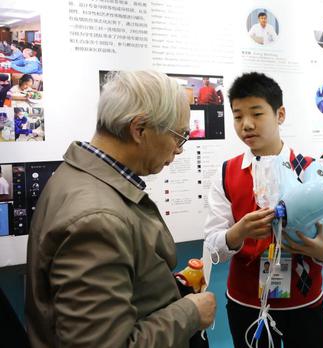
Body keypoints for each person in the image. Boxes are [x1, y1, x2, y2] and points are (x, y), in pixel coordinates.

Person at [25, 70, 216, 348]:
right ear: (139, 130)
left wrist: (158, 285)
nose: (179, 150)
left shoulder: (75, 178)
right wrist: (190, 313)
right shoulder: (97, 219)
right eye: (179, 136)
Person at [204, 72, 323, 347]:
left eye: (256, 113)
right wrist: (237, 233)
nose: (246, 125)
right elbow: (212, 247)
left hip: (304, 304)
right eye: (237, 116)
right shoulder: (226, 173)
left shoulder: (311, 170)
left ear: (280, 115)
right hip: (246, 306)